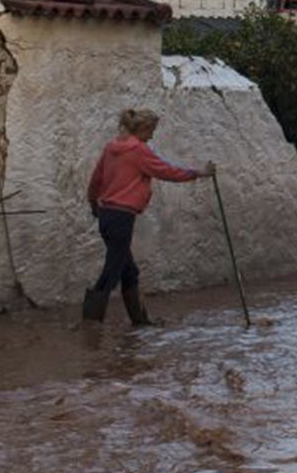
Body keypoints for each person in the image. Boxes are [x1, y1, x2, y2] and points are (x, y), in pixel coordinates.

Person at [82, 106, 214, 327]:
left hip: (106, 214)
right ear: (142, 128)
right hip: (122, 217)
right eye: (151, 130)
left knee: (128, 270)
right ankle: (90, 322)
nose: (152, 135)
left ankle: (140, 322)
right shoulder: (138, 150)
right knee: (112, 271)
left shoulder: (110, 148)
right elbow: (166, 171)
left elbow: (96, 180)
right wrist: (198, 173)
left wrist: (93, 203)